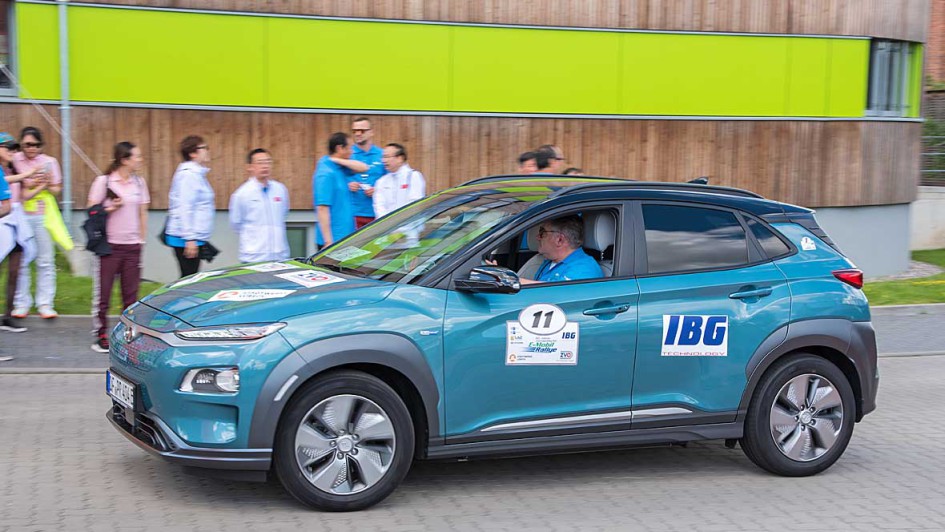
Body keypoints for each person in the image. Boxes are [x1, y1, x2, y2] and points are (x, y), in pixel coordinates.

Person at [87, 141, 150, 353]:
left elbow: (143, 212)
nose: (140, 160)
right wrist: (110, 208)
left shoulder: (139, 183)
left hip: (132, 246)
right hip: (109, 247)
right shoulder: (104, 181)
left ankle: (127, 334)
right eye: (137, 156)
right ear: (124, 159)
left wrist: (141, 239)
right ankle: (101, 333)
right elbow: (91, 210)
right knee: (103, 293)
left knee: (131, 296)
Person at [10, 127, 65, 319]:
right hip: (21, 214)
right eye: (27, 144)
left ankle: (45, 303)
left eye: (35, 145)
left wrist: (47, 184)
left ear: (41, 145)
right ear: (21, 144)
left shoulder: (50, 162)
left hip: (43, 215)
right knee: (22, 260)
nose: (31, 148)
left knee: (46, 260)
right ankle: (21, 303)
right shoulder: (15, 159)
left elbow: (57, 189)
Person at [165, 135, 214, 277]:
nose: (207, 151)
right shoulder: (189, 175)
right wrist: (190, 238)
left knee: (190, 276)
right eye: (204, 148)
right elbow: (185, 208)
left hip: (193, 236)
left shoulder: (197, 174)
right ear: (192, 153)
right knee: (188, 278)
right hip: (185, 238)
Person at [229, 148, 290, 262]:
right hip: (253, 256)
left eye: (268, 162)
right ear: (250, 167)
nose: (265, 166)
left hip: (279, 255)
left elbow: (283, 213)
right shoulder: (242, 194)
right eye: (260, 162)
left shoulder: (280, 189)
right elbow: (236, 223)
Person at [0, 132, 34, 333]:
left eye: (14, 148)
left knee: (15, 269)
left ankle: (8, 315)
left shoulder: (10, 169)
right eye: (8, 147)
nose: (13, 151)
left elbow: (20, 197)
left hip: (14, 222)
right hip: (3, 221)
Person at [312, 133, 366, 249]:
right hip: (333, 241)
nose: (352, 151)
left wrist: (336, 160)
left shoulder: (339, 167)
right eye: (350, 147)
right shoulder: (325, 173)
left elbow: (364, 167)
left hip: (345, 237)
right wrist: (328, 242)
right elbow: (322, 208)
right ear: (340, 148)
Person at [521, 215, 602, 284]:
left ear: (559, 240)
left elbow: (556, 293)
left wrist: (517, 283)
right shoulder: (549, 261)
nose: (537, 237)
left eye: (542, 232)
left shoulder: (584, 268)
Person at [373, 143, 426, 218]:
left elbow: (415, 202)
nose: (384, 160)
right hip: (387, 224)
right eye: (383, 157)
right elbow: (379, 206)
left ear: (400, 158)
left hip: (409, 223)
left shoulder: (413, 176)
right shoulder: (381, 181)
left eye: (387, 157)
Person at [349, 117, 385, 228]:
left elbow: (391, 181)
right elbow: (337, 179)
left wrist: (378, 190)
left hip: (377, 213)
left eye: (362, 131)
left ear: (371, 132)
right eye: (355, 131)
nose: (358, 134)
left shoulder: (382, 155)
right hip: (353, 213)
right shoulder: (347, 154)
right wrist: (348, 185)